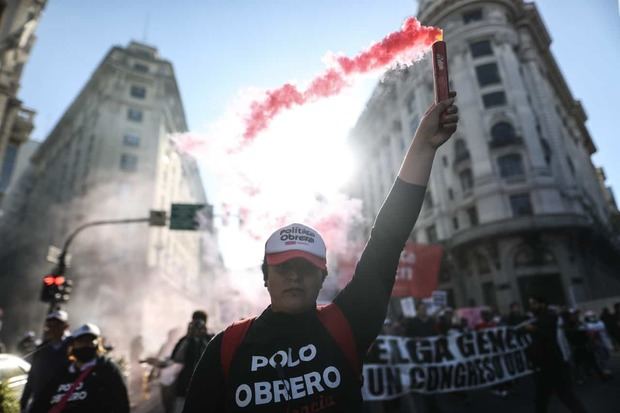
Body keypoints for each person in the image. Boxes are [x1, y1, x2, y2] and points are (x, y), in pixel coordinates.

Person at [183, 92, 459, 412]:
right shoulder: (226, 347)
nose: (295, 277)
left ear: (322, 277)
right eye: (284, 268)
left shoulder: (347, 323)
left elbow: (387, 239)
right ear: (265, 278)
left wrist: (424, 146)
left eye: (306, 268)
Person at [29, 323, 130, 413]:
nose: (86, 345)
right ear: (72, 345)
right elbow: (40, 404)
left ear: (97, 345)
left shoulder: (107, 369)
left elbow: (121, 404)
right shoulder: (62, 373)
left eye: (90, 341)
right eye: (81, 341)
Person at [526, 297, 588, 413]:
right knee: (542, 398)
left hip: (552, 362)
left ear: (542, 304)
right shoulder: (538, 318)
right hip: (543, 364)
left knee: (563, 395)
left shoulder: (549, 317)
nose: (531, 306)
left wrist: (534, 329)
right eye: (530, 304)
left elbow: (547, 334)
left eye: (534, 303)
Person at [20, 310, 71, 412]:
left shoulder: (72, 347)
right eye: (50, 325)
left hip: (63, 401)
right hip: (40, 400)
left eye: (57, 325)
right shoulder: (42, 349)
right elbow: (32, 376)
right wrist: (24, 400)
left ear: (65, 327)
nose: (52, 329)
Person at [170, 311, 213, 412]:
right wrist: (189, 337)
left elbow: (211, 356)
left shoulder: (210, 339)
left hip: (205, 388)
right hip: (184, 387)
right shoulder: (185, 340)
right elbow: (176, 358)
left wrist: (203, 338)